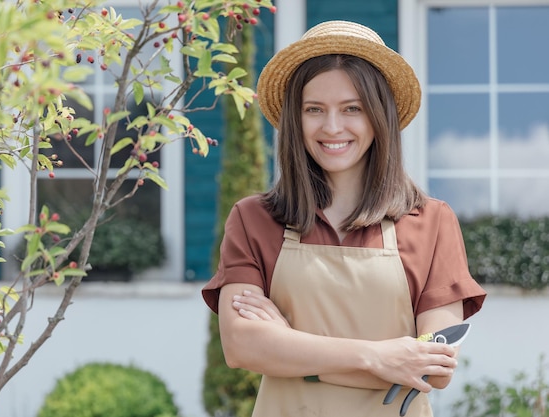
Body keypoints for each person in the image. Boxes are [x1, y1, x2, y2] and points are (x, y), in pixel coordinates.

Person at [201, 20, 486, 417]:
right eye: (314, 109)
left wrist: (289, 347)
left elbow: (433, 369)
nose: (332, 127)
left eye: (352, 108)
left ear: (378, 116)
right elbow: (242, 347)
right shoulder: (253, 219)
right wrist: (379, 358)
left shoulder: (432, 221)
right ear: (295, 120)